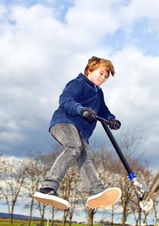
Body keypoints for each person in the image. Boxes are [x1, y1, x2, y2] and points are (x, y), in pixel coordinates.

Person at [34, 56, 122, 210]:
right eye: (101, 73)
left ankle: (96, 191)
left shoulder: (98, 93)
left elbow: (103, 110)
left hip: (80, 131)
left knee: (86, 157)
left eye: (106, 77)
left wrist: (111, 119)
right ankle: (48, 187)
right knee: (74, 147)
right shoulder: (78, 83)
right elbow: (65, 99)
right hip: (64, 122)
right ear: (90, 69)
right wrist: (81, 110)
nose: (103, 78)